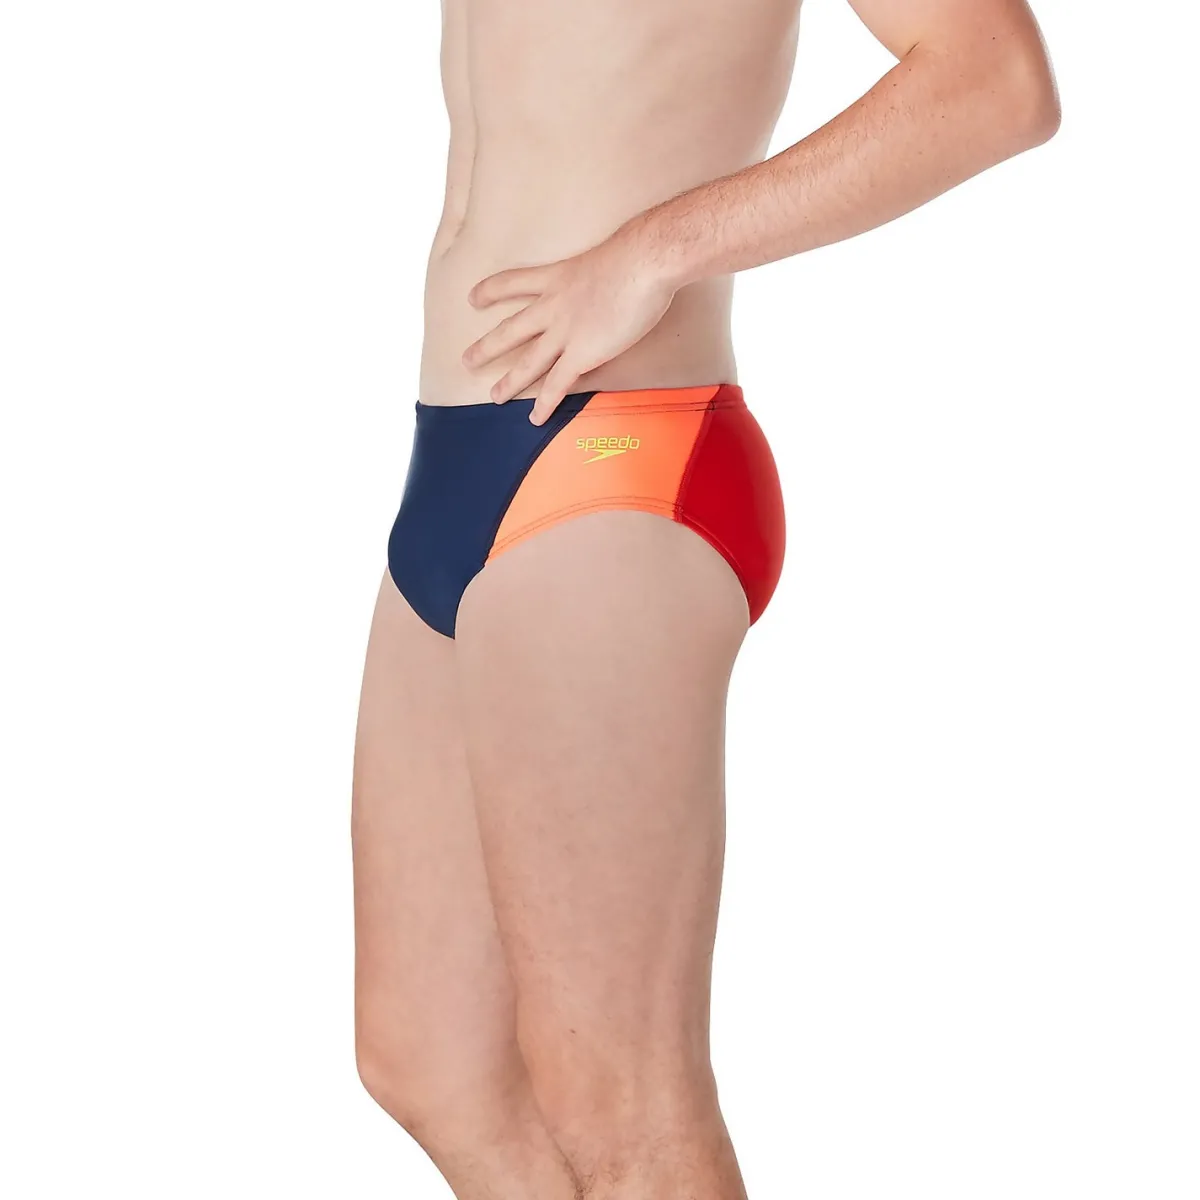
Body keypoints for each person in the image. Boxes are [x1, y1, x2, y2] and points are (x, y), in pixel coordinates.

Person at [352, 1, 1059, 1197]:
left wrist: (654, 253)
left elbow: (994, 82)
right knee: (430, 1061)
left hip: (616, 458)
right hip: (458, 454)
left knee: (619, 1098)